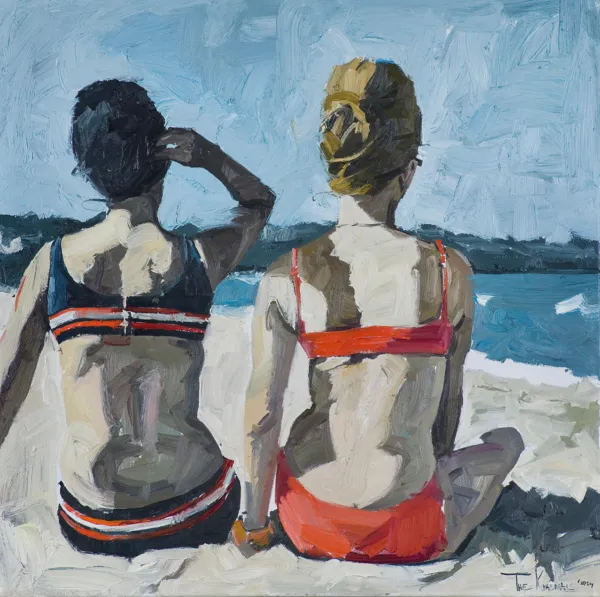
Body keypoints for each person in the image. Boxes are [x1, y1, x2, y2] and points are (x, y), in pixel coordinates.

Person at [233, 58, 524, 563]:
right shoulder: (449, 272)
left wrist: (255, 528)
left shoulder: (288, 275)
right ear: (407, 172)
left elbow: (262, 419)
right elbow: (444, 416)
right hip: (409, 529)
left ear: (334, 167)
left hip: (309, 521)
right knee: (508, 442)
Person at [0, 79, 275, 558]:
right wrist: (210, 157)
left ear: (88, 170)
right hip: (194, 509)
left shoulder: (52, 265)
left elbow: (6, 393)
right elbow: (258, 202)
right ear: (162, 160)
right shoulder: (198, 260)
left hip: (92, 521)